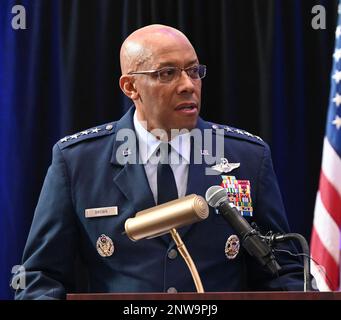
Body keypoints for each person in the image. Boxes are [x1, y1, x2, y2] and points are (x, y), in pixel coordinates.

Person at [14, 24, 305, 300]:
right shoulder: (78, 161)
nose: (188, 85)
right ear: (131, 87)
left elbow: (281, 273)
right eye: (167, 73)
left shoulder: (247, 157)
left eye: (193, 71)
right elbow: (41, 277)